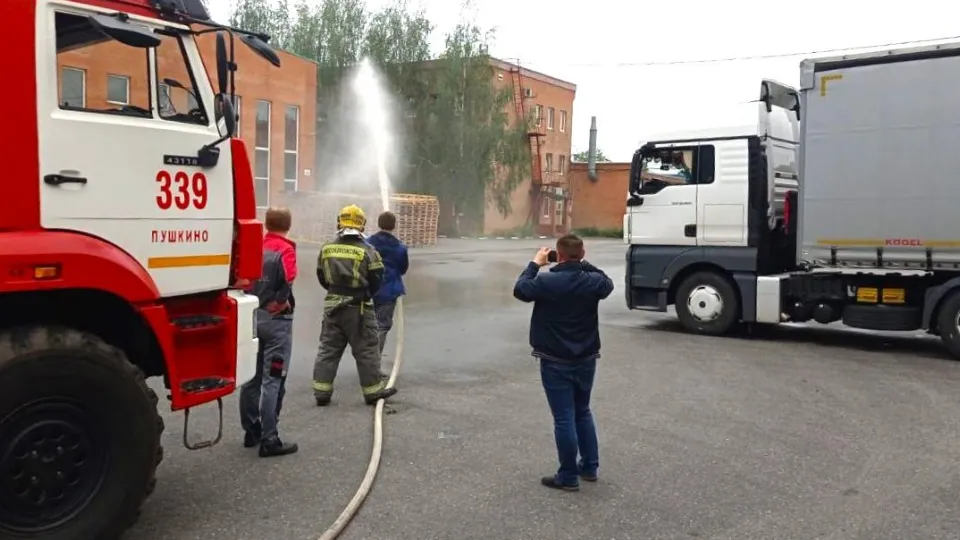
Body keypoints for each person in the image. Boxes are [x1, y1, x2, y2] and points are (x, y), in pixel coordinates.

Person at [512, 234, 614, 491]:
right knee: (583, 411)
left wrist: (536, 263)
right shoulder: (593, 282)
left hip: (555, 359)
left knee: (564, 418)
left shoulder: (546, 281)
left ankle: (568, 476)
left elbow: (520, 289)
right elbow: (607, 282)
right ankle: (589, 467)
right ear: (582, 254)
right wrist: (582, 263)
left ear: (558, 254)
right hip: (586, 357)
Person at [312, 204, 399, 406]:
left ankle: (322, 393)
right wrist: (364, 293)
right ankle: (372, 392)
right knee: (367, 350)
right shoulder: (369, 252)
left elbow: (322, 277)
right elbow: (377, 279)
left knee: (328, 350)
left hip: (333, 307)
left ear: (339, 222)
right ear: (361, 225)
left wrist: (336, 291)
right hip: (359, 309)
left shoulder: (327, 248)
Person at [239, 206, 299, 458]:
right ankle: (270, 439)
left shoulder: (256, 246)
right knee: (273, 378)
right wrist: (282, 301)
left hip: (253, 319)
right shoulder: (286, 249)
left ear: (266, 223)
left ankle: (251, 430)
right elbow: (289, 278)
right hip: (276, 323)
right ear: (288, 224)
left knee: (251, 378)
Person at [365, 211, 410, 357]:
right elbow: (403, 268)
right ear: (394, 226)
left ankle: (367, 361)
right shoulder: (399, 248)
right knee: (382, 326)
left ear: (379, 224)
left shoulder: (368, 243)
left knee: (368, 326)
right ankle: (373, 363)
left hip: (368, 290)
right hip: (388, 291)